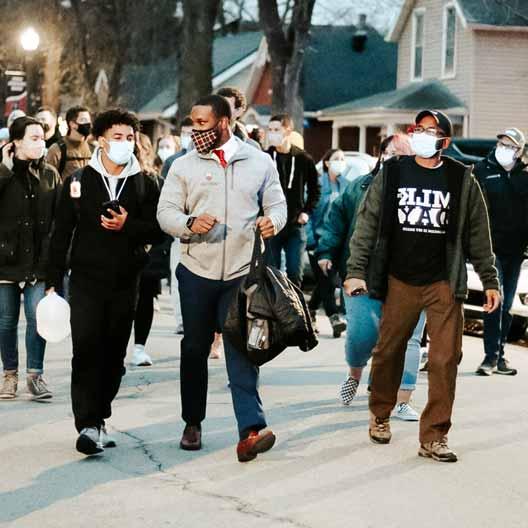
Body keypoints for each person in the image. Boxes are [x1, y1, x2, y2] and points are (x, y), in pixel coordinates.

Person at [344, 110, 501, 463]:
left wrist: (490, 280)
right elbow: (366, 224)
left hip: (443, 281)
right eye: (419, 129)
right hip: (399, 279)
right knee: (388, 352)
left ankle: (434, 437)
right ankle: (381, 412)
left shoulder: (462, 179)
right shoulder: (394, 173)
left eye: (431, 131)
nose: (423, 135)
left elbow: (478, 233)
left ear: (444, 141)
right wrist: (356, 271)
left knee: (446, 359)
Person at [157, 94, 287, 462]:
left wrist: (271, 221)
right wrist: (188, 224)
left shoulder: (259, 162)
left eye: (201, 124)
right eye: (192, 123)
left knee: (240, 349)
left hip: (239, 274)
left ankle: (251, 429)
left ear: (223, 123)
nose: (194, 130)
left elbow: (277, 205)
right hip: (197, 271)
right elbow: (165, 212)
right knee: (195, 349)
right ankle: (192, 422)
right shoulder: (183, 167)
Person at [47, 108, 162, 456]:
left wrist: (129, 225)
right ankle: (88, 423)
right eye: (117, 137)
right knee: (85, 348)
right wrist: (52, 280)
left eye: (130, 138)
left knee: (113, 355)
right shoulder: (79, 180)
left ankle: (100, 416)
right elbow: (61, 232)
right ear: (100, 139)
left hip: (125, 280)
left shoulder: (145, 182)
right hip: (85, 279)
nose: (124, 144)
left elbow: (159, 230)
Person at [317, 135, 424, 421]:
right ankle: (354, 373)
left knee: (410, 338)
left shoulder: (421, 189)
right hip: (362, 272)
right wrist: (326, 250)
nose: (397, 160)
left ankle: (402, 399)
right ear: (381, 155)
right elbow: (337, 220)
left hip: (409, 275)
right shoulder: (360, 186)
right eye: (392, 153)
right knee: (362, 334)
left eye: (405, 155)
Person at [0, 116, 61, 400]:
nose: (41, 143)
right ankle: (9, 375)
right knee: (6, 320)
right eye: (34, 138)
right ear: (16, 142)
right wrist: (4, 170)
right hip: (5, 259)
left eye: (43, 138)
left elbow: (60, 220)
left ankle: (35, 375)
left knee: (39, 317)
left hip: (40, 260)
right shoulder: (2, 172)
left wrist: (57, 264)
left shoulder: (50, 173)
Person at [474, 128, 527, 376]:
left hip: (516, 251)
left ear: (520, 151)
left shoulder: (524, 175)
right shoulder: (483, 170)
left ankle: (501, 355)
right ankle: (490, 357)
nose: (504, 148)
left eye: (510, 145)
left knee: (506, 306)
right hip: (490, 250)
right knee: (496, 301)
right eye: (502, 143)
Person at [131, 133, 172, 367]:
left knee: (145, 298)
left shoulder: (155, 182)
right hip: (119, 253)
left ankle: (139, 347)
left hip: (147, 252)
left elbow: (163, 219)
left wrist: (158, 248)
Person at [266, 113, 320, 287]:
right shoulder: (265, 158)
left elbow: (315, 189)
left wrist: (306, 212)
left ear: (287, 131)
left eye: (276, 129)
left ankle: (295, 311)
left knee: (295, 272)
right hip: (271, 224)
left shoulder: (304, 159)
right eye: (270, 130)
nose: (272, 133)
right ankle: (272, 311)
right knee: (270, 272)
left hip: (295, 225)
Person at [306, 148, 349, 337]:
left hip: (336, 243)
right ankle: (334, 317)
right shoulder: (317, 184)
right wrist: (310, 240)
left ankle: (309, 311)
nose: (340, 162)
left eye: (342, 159)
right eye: (336, 159)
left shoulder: (346, 185)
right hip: (317, 241)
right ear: (326, 163)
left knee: (324, 281)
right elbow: (309, 212)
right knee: (328, 279)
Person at [46, 105, 93, 181]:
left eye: (89, 120)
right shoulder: (57, 149)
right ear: (72, 124)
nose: (88, 124)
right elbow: (48, 180)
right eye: (83, 120)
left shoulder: (93, 148)